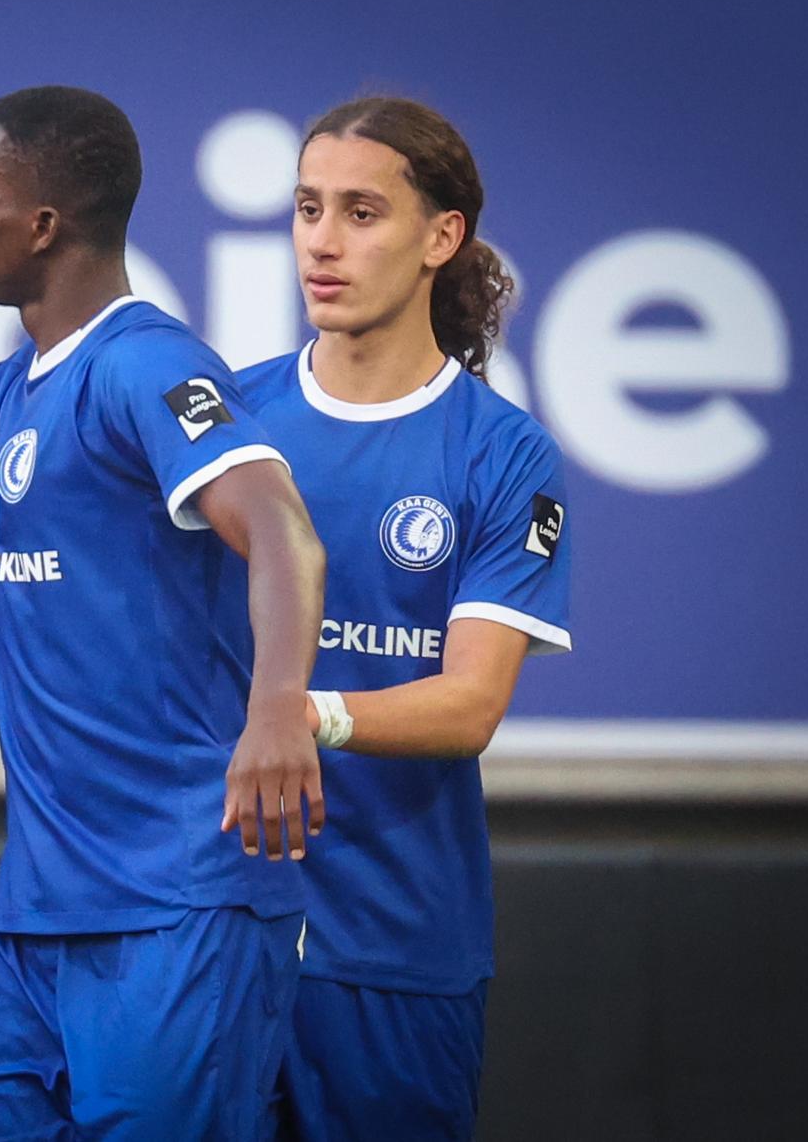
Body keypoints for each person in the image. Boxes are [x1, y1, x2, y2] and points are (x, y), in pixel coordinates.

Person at [0, 44, 330, 1139]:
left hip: (180, 904)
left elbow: (284, 531)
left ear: (45, 226)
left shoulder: (143, 365)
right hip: (43, 912)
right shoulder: (20, 389)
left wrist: (274, 710)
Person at [241, 97, 572, 1142]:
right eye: (306, 209)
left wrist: (299, 714)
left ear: (443, 236)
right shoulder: (229, 421)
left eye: (361, 212)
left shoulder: (502, 454)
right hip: (217, 938)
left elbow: (471, 703)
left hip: (394, 951)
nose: (323, 243)